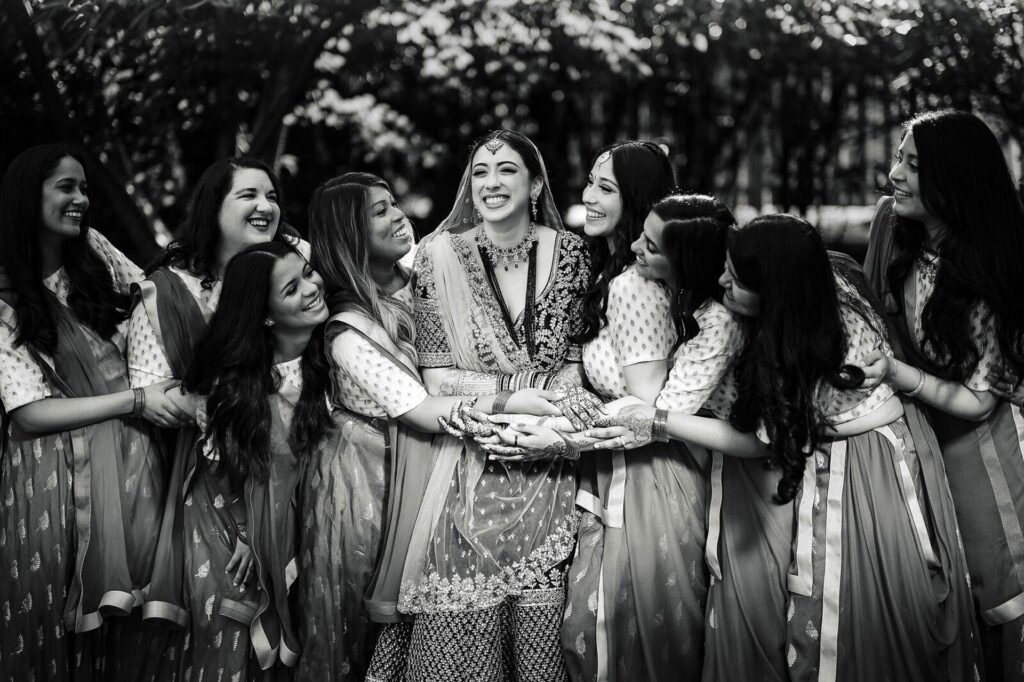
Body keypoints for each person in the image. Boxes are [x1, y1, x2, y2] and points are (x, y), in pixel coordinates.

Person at [591, 215, 980, 680]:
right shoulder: (806, 297)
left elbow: (760, 443)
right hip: (837, 456)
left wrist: (656, 421)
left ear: (776, 289)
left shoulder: (817, 340)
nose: (722, 283)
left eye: (736, 280)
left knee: (871, 620)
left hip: (867, 468)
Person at [302, 172, 563, 681]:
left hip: (444, 458)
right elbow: (420, 408)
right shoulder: (348, 328)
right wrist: (511, 398)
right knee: (371, 612)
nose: (399, 215)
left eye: (394, 203)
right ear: (348, 233)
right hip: (375, 475)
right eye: (380, 211)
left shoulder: (424, 267)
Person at [397, 129, 594, 680]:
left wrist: (548, 408)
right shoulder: (438, 258)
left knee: (546, 621)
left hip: (552, 453)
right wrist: (518, 396)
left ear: (535, 184)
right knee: (466, 621)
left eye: (506, 169)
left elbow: (576, 365)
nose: (490, 182)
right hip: (469, 459)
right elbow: (436, 379)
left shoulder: (575, 253)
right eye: (480, 171)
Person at [0, 144, 183, 679]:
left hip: (131, 461)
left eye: (84, 188)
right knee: (50, 621)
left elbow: (154, 296)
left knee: (129, 624)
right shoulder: (5, 294)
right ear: (25, 195)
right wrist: (134, 399)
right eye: (66, 187)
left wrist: (150, 371)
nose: (81, 199)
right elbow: (28, 414)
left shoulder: (96, 253)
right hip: (53, 476)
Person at [863, 109, 1024, 678]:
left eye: (914, 166)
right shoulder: (892, 227)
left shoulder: (989, 267)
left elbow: (980, 400)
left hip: (980, 457)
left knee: (996, 601)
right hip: (907, 446)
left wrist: (897, 376)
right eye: (899, 159)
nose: (895, 175)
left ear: (954, 181)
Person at [564, 142, 721, 680]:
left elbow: (648, 409)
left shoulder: (634, 286)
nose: (588, 196)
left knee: (643, 630)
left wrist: (556, 434)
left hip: (652, 477)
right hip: (620, 466)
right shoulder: (613, 271)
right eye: (589, 182)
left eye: (606, 188)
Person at [133, 157, 307, 628]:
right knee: (229, 614)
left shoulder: (295, 261)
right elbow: (154, 394)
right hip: (220, 475)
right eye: (248, 195)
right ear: (213, 208)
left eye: (271, 196)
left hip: (305, 459)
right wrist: (217, 406)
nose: (265, 206)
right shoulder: (169, 291)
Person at [175, 241, 333, 679]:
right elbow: (227, 468)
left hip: (326, 519)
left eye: (308, 272)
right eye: (291, 288)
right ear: (265, 315)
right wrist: (248, 532)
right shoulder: (238, 386)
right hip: (237, 523)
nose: (311, 288)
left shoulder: (339, 352)